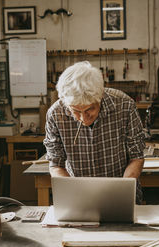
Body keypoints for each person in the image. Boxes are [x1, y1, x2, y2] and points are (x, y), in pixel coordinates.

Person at [43, 61, 146, 203]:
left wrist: (121, 191)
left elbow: (136, 157)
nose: (83, 118)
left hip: (122, 197)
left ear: (100, 97)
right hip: (78, 199)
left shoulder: (124, 105)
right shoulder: (55, 114)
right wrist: (73, 194)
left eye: (89, 109)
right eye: (76, 111)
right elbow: (56, 164)